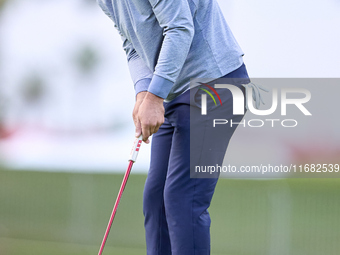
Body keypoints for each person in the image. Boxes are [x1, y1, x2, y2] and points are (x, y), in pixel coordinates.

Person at [97, 0, 254, 254]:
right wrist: (143, 93)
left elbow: (179, 28)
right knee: (156, 199)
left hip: (217, 84)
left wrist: (155, 96)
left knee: (182, 200)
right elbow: (133, 46)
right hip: (175, 93)